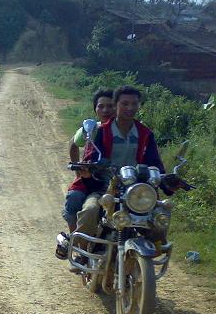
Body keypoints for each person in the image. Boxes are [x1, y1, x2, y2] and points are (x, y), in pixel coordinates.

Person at [71, 85, 175, 245]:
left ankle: (153, 249)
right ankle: (82, 252)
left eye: (134, 104)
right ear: (116, 104)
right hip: (105, 187)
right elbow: (90, 157)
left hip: (136, 190)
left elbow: (154, 162)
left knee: (161, 214)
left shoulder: (145, 133)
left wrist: (168, 182)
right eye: (125, 104)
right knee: (90, 211)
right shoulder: (100, 131)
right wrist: (89, 169)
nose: (130, 108)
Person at [61, 89, 115, 234]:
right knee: (74, 198)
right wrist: (79, 171)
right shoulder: (92, 128)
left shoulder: (128, 130)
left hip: (120, 180)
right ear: (95, 109)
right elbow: (73, 143)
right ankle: (75, 239)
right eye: (101, 106)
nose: (106, 110)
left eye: (110, 106)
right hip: (91, 177)